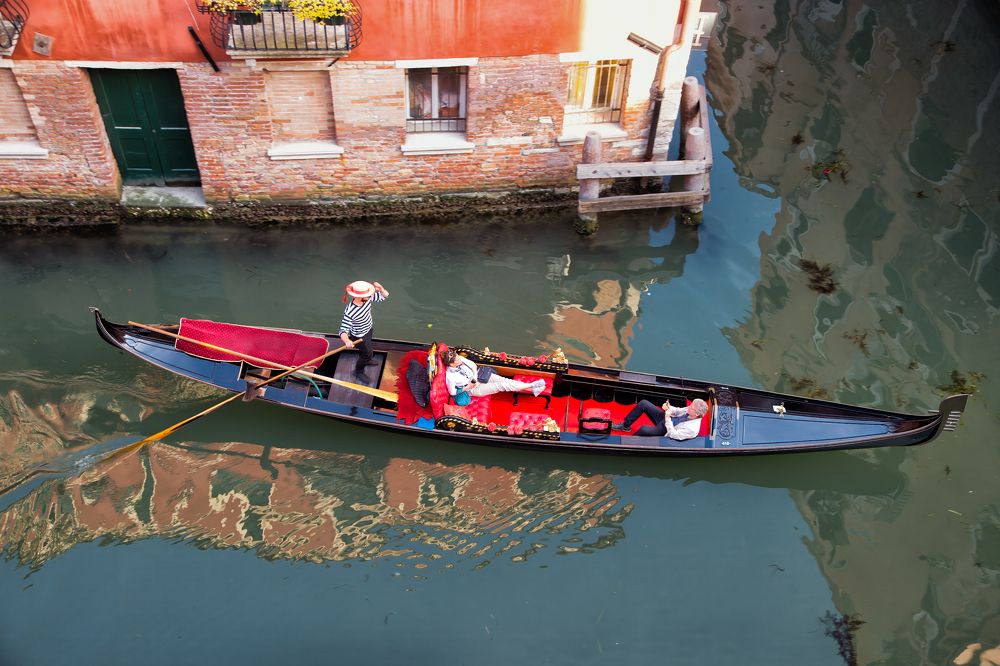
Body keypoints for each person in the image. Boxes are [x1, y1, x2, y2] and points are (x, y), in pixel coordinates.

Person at [442, 348, 546, 398]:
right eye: (457, 360)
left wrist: (474, 377)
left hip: (479, 377)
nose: (460, 359)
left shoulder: (458, 358)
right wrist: (468, 386)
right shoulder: (450, 377)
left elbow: (473, 365)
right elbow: (453, 393)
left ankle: (533, 388)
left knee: (506, 380)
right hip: (474, 389)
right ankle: (533, 386)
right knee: (502, 385)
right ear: (451, 364)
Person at [339, 280, 389, 380]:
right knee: (368, 352)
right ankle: (358, 371)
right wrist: (347, 341)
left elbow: (385, 296)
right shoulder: (350, 311)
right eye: (368, 294)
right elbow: (343, 330)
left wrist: (381, 289)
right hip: (359, 336)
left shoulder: (367, 298)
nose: (371, 295)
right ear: (360, 296)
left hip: (368, 329)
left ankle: (367, 359)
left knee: (367, 350)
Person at [613, 398, 709, 440]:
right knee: (643, 403)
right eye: (690, 405)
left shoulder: (692, 429)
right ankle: (625, 426)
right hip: (667, 419)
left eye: (691, 408)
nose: (688, 407)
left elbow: (673, 434)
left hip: (666, 430)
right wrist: (668, 407)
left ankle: (629, 442)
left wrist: (667, 417)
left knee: (643, 429)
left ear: (696, 414)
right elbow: (677, 411)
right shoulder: (689, 409)